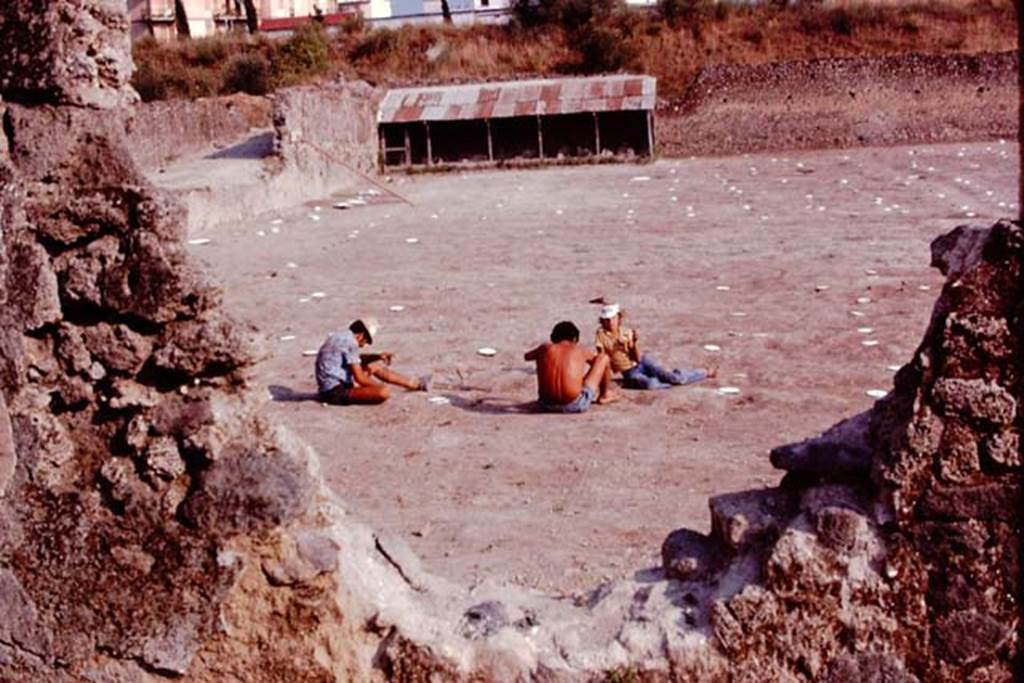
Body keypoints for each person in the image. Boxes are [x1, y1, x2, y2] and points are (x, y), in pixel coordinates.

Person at [595, 304, 715, 390]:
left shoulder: (627, 332)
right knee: (651, 384)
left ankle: (703, 372)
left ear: (618, 318)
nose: (610, 322)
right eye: (606, 320)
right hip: (628, 371)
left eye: (612, 319)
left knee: (674, 378)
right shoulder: (601, 335)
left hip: (642, 361)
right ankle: (658, 380)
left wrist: (634, 343)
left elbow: (636, 358)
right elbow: (602, 357)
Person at [315, 318, 429, 405]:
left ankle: (415, 383)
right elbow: (360, 377)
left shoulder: (341, 336)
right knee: (383, 392)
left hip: (331, 385)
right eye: (366, 342)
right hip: (334, 392)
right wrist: (376, 386)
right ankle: (415, 384)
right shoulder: (351, 343)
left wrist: (377, 356)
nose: (364, 345)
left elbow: (354, 359)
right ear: (361, 335)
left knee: (373, 365)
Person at [524, 321, 618, 413]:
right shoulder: (580, 349)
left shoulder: (544, 348)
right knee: (603, 358)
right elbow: (596, 361)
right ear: (574, 338)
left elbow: (527, 357)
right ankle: (604, 395)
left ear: (553, 337)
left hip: (545, 404)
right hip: (575, 404)